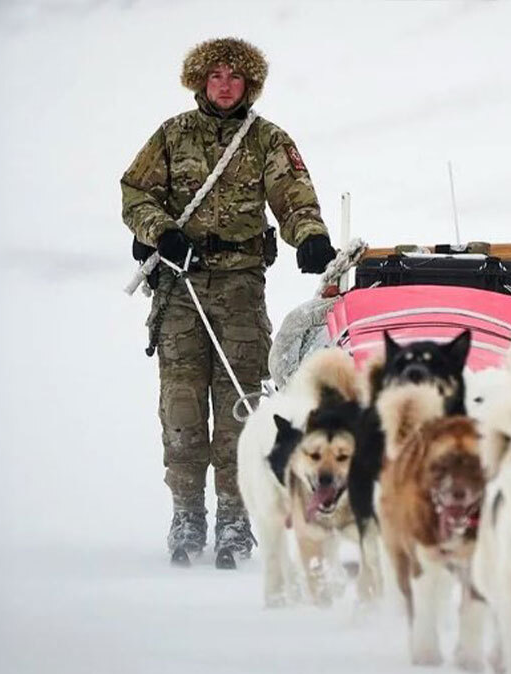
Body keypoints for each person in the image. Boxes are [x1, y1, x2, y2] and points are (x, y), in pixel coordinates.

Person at [120, 37, 337, 568]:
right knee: (183, 407)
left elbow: (296, 199)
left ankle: (235, 519)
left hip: (241, 286)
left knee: (241, 404)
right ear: (200, 81)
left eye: (235, 77)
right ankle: (187, 513)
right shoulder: (172, 136)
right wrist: (161, 231)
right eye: (215, 76)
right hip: (181, 289)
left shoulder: (266, 139)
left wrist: (309, 236)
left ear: (249, 86)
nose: (224, 85)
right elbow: (134, 193)